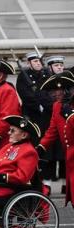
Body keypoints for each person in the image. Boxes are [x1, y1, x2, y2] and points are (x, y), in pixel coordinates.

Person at [38, 71, 74, 205]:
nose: (55, 94)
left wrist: (70, 115)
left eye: (59, 90)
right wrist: (41, 147)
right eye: (53, 91)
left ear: (68, 90)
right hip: (70, 157)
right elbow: (52, 131)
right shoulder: (57, 106)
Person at [16, 51, 52, 129]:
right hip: (31, 112)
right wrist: (40, 104)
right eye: (35, 61)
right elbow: (25, 95)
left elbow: (51, 92)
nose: (38, 63)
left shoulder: (47, 74)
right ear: (29, 63)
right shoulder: (23, 76)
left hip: (47, 111)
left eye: (39, 61)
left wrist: (46, 105)